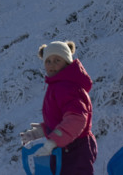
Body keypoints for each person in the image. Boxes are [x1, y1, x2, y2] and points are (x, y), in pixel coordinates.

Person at [20, 41, 98, 175]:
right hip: (64, 147)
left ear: (67, 62)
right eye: (48, 61)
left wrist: (54, 141)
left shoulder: (67, 87)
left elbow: (76, 119)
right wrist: (42, 131)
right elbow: (60, 119)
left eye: (57, 60)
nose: (52, 65)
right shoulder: (57, 85)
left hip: (75, 149)